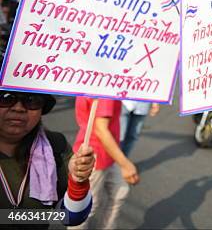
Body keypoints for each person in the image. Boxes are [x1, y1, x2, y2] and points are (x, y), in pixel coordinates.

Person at [0, 90, 94, 226]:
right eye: (5, 98)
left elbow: (70, 218)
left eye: (32, 100)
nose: (18, 108)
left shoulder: (55, 145)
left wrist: (77, 182)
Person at [73, 97, 140, 229]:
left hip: (108, 153)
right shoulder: (105, 90)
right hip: (94, 154)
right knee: (85, 208)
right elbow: (101, 130)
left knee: (120, 192)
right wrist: (125, 164)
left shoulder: (105, 85)